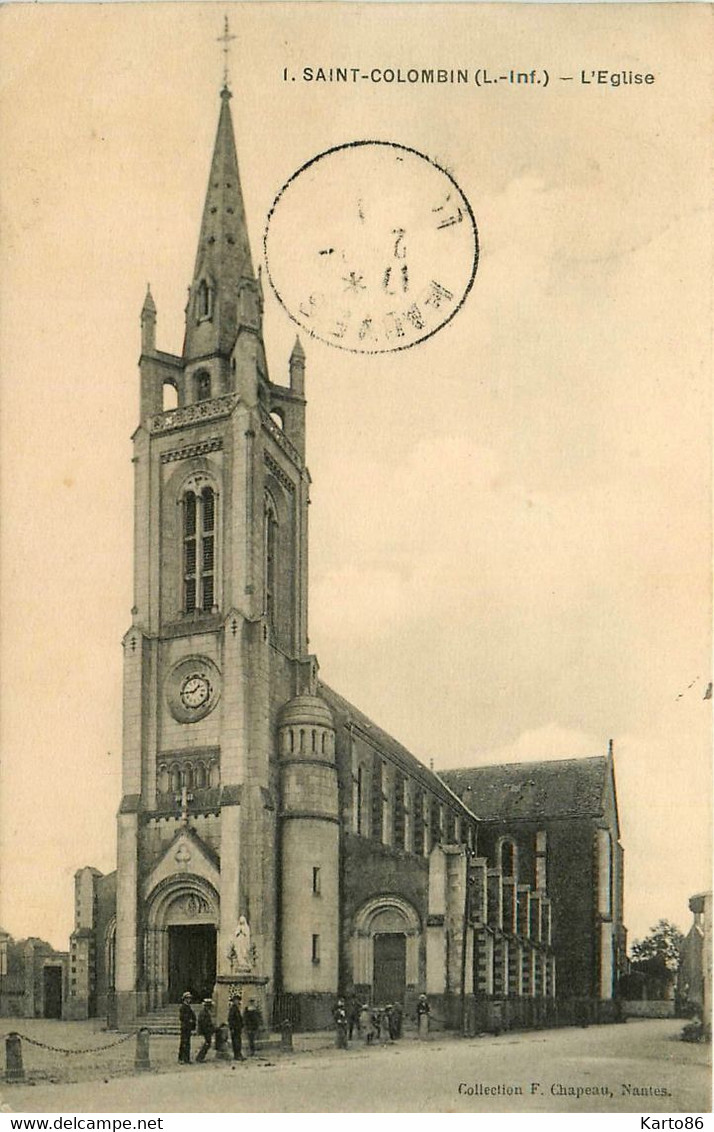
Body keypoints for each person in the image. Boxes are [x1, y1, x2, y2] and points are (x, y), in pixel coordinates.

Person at [178, 991, 196, 1064]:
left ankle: (186, 1058)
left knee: (187, 1043)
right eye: (188, 998)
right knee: (184, 1043)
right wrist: (189, 1020)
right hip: (185, 1027)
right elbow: (182, 1017)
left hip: (188, 1027)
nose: (189, 1000)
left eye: (190, 998)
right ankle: (182, 1058)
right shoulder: (183, 1007)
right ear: (185, 999)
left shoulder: (188, 1007)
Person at [196, 998, 215, 1062]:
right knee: (207, 1043)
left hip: (206, 1030)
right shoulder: (204, 1013)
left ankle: (200, 1057)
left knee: (207, 1043)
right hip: (205, 1030)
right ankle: (200, 1057)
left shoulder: (205, 1012)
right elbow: (204, 1023)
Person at [227, 991, 245, 1061]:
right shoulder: (233, 1009)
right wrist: (232, 1028)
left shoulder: (236, 1009)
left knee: (238, 1042)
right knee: (236, 1042)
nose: (237, 1002)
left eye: (238, 1000)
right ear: (234, 1001)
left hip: (238, 1028)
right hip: (235, 1028)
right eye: (236, 1000)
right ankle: (237, 1055)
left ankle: (238, 1054)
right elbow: (230, 1019)